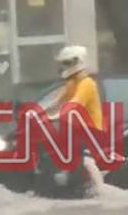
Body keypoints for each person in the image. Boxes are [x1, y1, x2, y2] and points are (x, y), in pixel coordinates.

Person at [45, 45, 105, 192]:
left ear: (77, 62)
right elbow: (57, 102)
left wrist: (53, 116)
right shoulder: (72, 83)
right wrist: (36, 112)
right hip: (77, 131)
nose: (63, 67)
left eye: (66, 63)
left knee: (87, 161)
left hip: (92, 131)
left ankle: (102, 191)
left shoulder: (87, 83)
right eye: (63, 63)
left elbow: (74, 104)